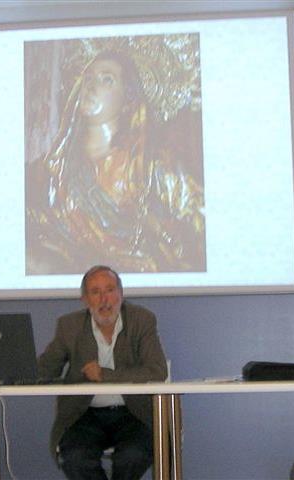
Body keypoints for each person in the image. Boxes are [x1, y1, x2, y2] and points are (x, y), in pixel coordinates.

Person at [26, 49, 205, 275]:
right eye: (88, 78)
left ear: (128, 99)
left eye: (107, 80)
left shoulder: (151, 164)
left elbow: (198, 225)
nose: (91, 86)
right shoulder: (52, 171)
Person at [38, 265, 168, 480]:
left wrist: (105, 375)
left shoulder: (142, 319)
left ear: (121, 294)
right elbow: (47, 370)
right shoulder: (68, 325)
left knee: (133, 456)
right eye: (95, 292)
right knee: (76, 458)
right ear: (84, 299)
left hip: (133, 412)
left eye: (110, 290)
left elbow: (157, 370)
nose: (104, 299)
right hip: (84, 413)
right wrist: (17, 366)